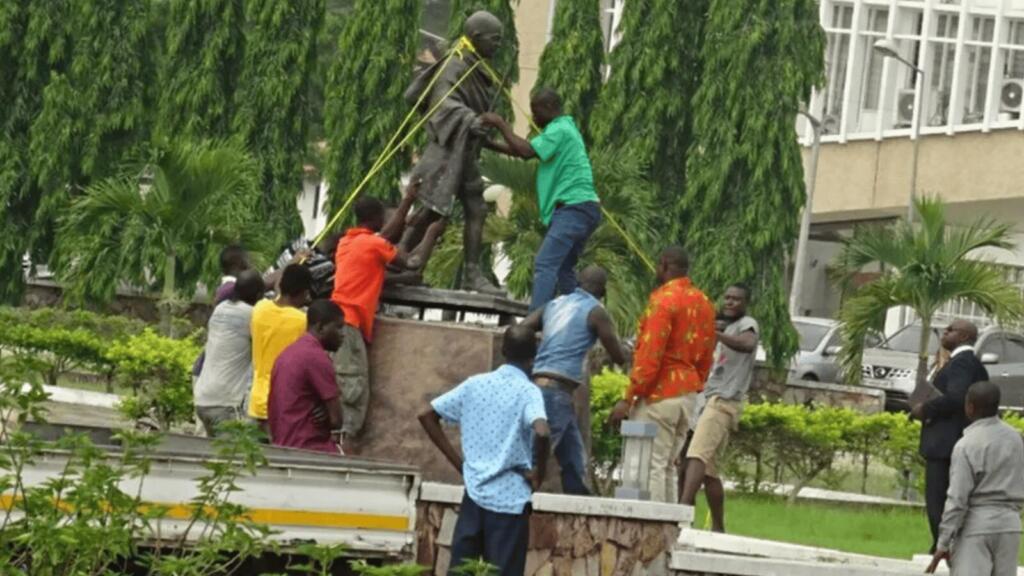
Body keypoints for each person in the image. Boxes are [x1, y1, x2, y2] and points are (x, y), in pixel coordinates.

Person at [418, 326, 551, 575]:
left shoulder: (475, 384)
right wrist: (538, 473)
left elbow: (427, 415)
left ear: (502, 351)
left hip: (474, 495)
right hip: (510, 501)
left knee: (462, 571)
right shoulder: (528, 392)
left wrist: (461, 465)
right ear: (534, 356)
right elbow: (542, 431)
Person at [330, 181, 443, 453]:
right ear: (376, 219)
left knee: (346, 383)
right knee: (353, 386)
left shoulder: (348, 242)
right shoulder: (373, 244)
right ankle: (343, 446)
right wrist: (431, 233)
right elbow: (412, 262)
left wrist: (408, 202)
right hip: (349, 324)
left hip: (340, 322)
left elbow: (386, 241)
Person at [400, 10, 506, 294]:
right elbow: (443, 103)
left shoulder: (475, 68)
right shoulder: (455, 66)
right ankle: (397, 260)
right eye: (495, 40)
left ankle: (472, 273)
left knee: (476, 208)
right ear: (476, 37)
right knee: (429, 212)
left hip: (465, 152)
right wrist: (471, 120)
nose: (498, 45)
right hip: (446, 153)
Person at [607, 246, 716, 503]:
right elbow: (708, 352)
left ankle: (652, 531)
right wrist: (695, 382)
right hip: (688, 394)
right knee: (668, 465)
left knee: (652, 466)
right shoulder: (705, 303)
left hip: (660, 393)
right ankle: (670, 530)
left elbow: (649, 355)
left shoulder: (663, 300)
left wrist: (629, 397)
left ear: (665, 265)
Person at [479, 88, 601, 312]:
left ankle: (533, 323)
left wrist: (499, 123)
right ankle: (576, 316)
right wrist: (489, 144)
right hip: (584, 209)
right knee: (564, 268)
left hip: (574, 208)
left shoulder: (560, 130)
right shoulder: (565, 129)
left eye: (535, 112)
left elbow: (525, 151)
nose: (533, 118)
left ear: (548, 108)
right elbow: (524, 152)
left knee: (545, 263)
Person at [519, 265, 627, 495]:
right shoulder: (597, 312)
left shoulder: (555, 304)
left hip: (543, 385)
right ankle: (512, 509)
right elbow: (618, 356)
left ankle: (578, 500)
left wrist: (537, 355)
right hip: (556, 391)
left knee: (573, 461)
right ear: (603, 292)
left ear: (578, 282)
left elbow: (523, 328)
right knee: (535, 458)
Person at [679, 284, 759, 532]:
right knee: (709, 472)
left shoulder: (748, 325)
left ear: (745, 302)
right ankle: (718, 529)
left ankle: (682, 513)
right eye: (727, 297)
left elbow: (747, 344)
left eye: (736, 298)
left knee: (696, 455)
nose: (730, 302)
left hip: (724, 402)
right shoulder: (721, 324)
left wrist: (718, 336)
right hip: (707, 400)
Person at [926, 381, 1024, 575]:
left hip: (976, 526)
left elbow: (957, 499)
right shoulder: (1016, 439)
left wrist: (943, 542)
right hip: (1010, 526)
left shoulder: (966, 445)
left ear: (970, 407)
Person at [911, 319, 989, 552]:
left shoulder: (962, 364)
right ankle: (945, 545)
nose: (944, 333)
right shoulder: (967, 363)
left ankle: (942, 547)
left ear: (964, 337)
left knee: (938, 501)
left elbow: (956, 397)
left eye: (950, 330)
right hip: (955, 441)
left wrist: (924, 409)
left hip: (945, 444)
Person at [267, 300, 346, 454]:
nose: (343, 335)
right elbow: (337, 420)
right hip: (308, 447)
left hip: (281, 443)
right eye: (338, 328)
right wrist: (328, 412)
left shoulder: (289, 352)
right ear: (321, 327)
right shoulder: (316, 357)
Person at [193, 270, 266, 436]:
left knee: (215, 457)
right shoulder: (253, 316)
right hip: (225, 403)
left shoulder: (219, 309)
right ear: (259, 294)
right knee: (233, 458)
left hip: (202, 398)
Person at [247, 264, 313, 428]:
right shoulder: (302, 321)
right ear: (304, 292)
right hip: (283, 405)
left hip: (256, 401)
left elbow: (275, 299)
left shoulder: (260, 309)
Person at [191, 244, 251, 380]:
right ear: (239, 263)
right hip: (210, 374)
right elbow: (263, 285)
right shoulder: (231, 290)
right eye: (249, 261)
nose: (251, 266)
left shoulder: (226, 289)